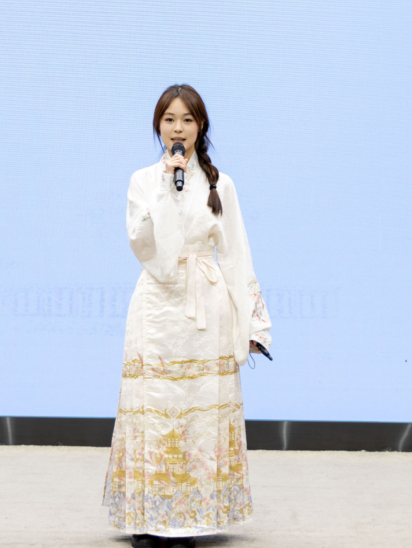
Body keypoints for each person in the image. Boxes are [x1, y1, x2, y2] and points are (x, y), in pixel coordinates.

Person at [103, 84, 273, 547]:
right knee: (152, 405)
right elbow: (142, 243)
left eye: (187, 120)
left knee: (199, 408)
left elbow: (236, 255)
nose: (177, 129)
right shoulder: (143, 180)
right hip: (156, 305)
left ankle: (190, 519)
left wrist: (253, 323)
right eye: (169, 120)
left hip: (206, 306)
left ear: (201, 127)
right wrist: (167, 184)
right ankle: (146, 516)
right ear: (158, 126)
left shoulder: (223, 185)